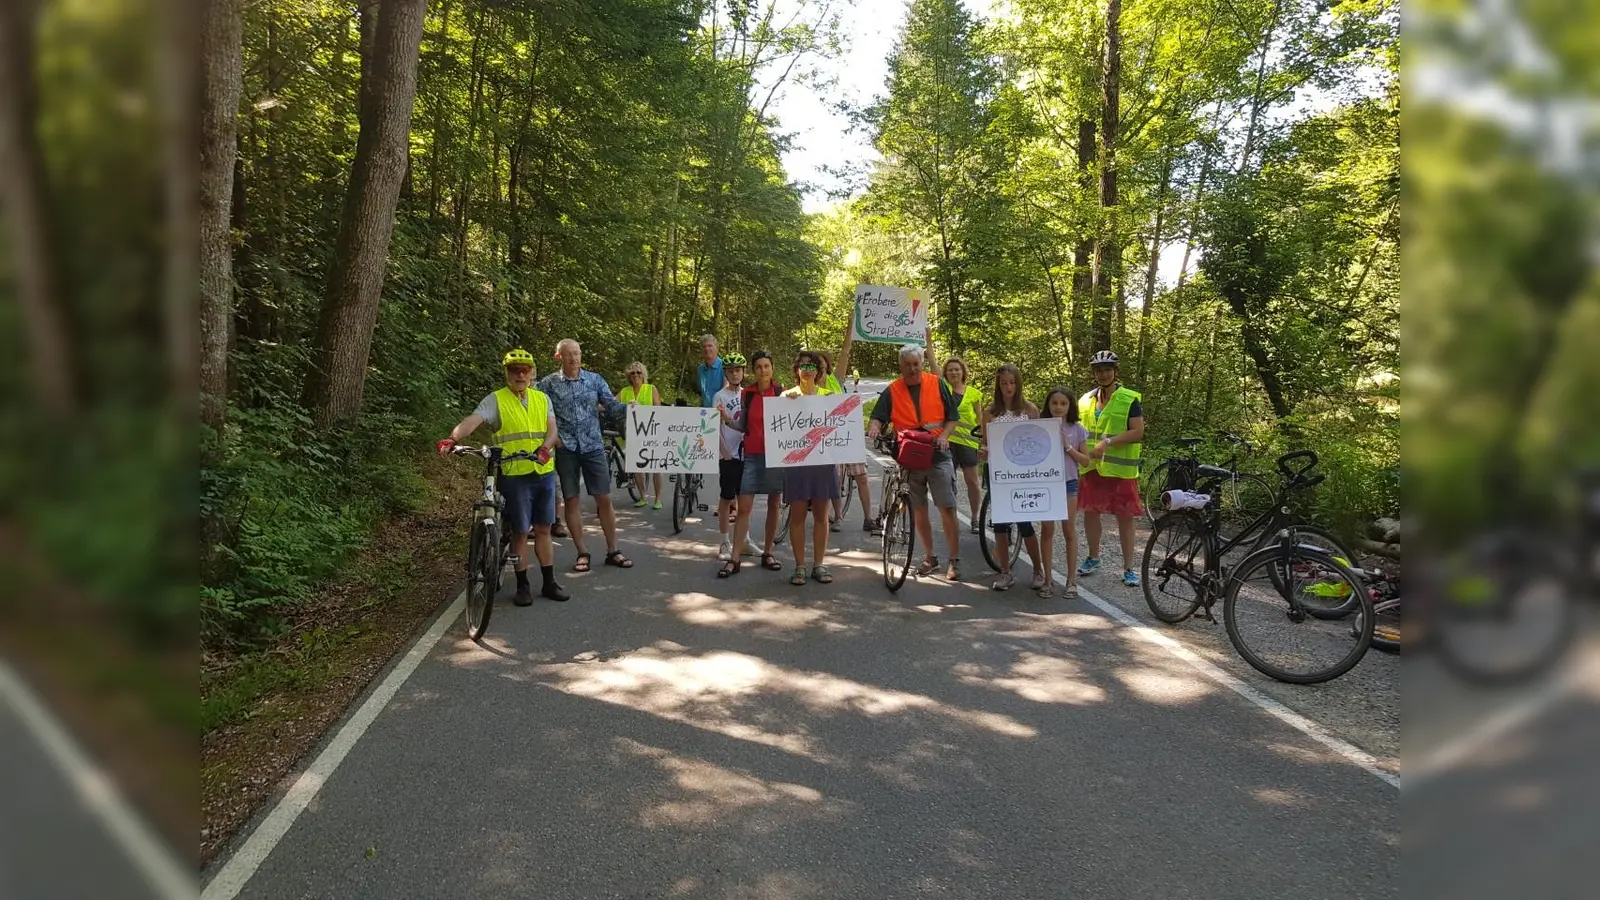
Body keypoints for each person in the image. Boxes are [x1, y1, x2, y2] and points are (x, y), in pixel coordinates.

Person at [435, 349, 569, 603]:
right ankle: (522, 585)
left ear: (532, 373)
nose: (520, 374)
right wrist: (452, 439)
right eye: (514, 369)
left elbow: (552, 430)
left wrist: (545, 448)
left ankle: (550, 582)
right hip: (514, 474)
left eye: (525, 369)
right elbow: (472, 421)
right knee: (520, 532)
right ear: (507, 373)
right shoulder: (496, 400)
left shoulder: (542, 399)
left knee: (543, 529)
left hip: (542, 472)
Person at [867, 344, 963, 581]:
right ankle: (930, 557)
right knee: (918, 510)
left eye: (916, 363)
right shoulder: (893, 390)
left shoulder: (936, 383)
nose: (912, 368)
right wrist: (874, 427)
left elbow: (952, 418)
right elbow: (878, 416)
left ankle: (954, 560)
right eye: (907, 364)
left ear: (921, 363)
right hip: (910, 457)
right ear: (900, 366)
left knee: (946, 508)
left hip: (937, 454)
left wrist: (943, 436)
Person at [539, 339, 635, 573]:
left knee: (604, 498)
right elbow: (537, 411)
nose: (574, 358)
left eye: (577, 354)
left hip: (593, 445)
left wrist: (629, 407)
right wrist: (552, 437)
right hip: (566, 449)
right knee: (571, 500)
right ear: (558, 356)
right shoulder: (548, 384)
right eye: (569, 354)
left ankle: (613, 550)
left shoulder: (594, 380)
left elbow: (611, 406)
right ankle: (582, 552)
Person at [1077, 349, 1146, 586]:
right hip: (1093, 468)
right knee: (1090, 512)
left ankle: (1129, 568)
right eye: (1099, 370)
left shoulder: (1129, 398)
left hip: (1120, 470)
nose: (1103, 374)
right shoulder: (1085, 400)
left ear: (1115, 372)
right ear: (1094, 373)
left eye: (1107, 370)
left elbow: (1138, 432)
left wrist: (1108, 442)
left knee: (1125, 517)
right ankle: (1093, 557)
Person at [980, 364, 1046, 592]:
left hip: (1022, 473)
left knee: (1024, 521)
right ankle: (1005, 572)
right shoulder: (989, 412)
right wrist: (983, 451)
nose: (1008, 387)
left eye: (1012, 382)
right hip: (997, 472)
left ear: (1018, 384)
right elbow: (985, 443)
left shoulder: (1030, 410)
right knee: (1000, 522)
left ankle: (1038, 570)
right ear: (998, 385)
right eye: (1004, 383)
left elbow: (1039, 444)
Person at [780, 350, 839, 585]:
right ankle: (800, 566)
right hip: (797, 465)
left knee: (822, 517)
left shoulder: (829, 395)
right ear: (796, 370)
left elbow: (839, 428)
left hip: (823, 464)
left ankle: (819, 564)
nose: (807, 369)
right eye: (802, 365)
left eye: (812, 366)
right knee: (797, 516)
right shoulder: (786, 396)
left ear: (819, 371)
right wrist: (786, 405)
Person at [728, 350, 787, 576]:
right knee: (744, 508)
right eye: (759, 367)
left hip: (775, 455)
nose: (763, 370)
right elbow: (742, 425)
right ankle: (735, 557)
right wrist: (725, 419)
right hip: (752, 455)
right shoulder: (748, 395)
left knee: (774, 503)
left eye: (766, 366)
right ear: (753, 371)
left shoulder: (782, 393)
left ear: (772, 368)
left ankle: (768, 552)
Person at [1038, 387, 1092, 599]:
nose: (1058, 407)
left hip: (1069, 484)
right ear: (1048, 406)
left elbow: (1086, 461)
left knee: (1069, 531)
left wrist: (1067, 447)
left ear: (1070, 406)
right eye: (1054, 403)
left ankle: (1071, 581)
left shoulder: (1077, 429)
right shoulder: (1039, 427)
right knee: (1047, 531)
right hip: (1046, 484)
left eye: (1063, 403)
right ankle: (1048, 580)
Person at [713, 353, 755, 573]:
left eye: (738, 370)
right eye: (730, 371)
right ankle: (724, 541)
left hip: (746, 452)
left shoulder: (747, 394)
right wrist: (724, 452)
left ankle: (745, 540)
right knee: (726, 498)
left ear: (743, 372)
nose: (735, 373)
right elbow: (714, 426)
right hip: (728, 454)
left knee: (744, 499)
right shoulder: (719, 396)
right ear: (726, 373)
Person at [942, 357, 985, 533]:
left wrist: (983, 441)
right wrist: (928, 342)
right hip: (947, 442)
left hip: (968, 443)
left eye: (957, 369)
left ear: (963, 372)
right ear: (946, 373)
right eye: (950, 370)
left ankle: (975, 518)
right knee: (948, 481)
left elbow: (980, 418)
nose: (954, 372)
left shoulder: (974, 393)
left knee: (973, 482)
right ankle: (951, 519)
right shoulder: (943, 389)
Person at [617, 362, 665, 511]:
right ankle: (643, 496)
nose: (636, 375)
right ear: (629, 376)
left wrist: (641, 408)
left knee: (656, 467)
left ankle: (658, 498)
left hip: (652, 431)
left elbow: (658, 408)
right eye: (632, 373)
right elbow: (611, 403)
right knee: (637, 466)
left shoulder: (651, 389)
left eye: (638, 372)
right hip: (633, 432)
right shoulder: (625, 391)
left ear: (643, 374)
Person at [697, 334, 724, 409]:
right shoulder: (700, 369)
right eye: (704, 346)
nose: (706, 349)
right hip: (705, 413)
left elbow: (727, 392)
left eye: (710, 346)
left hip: (720, 412)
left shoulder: (725, 367)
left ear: (717, 348)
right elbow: (702, 395)